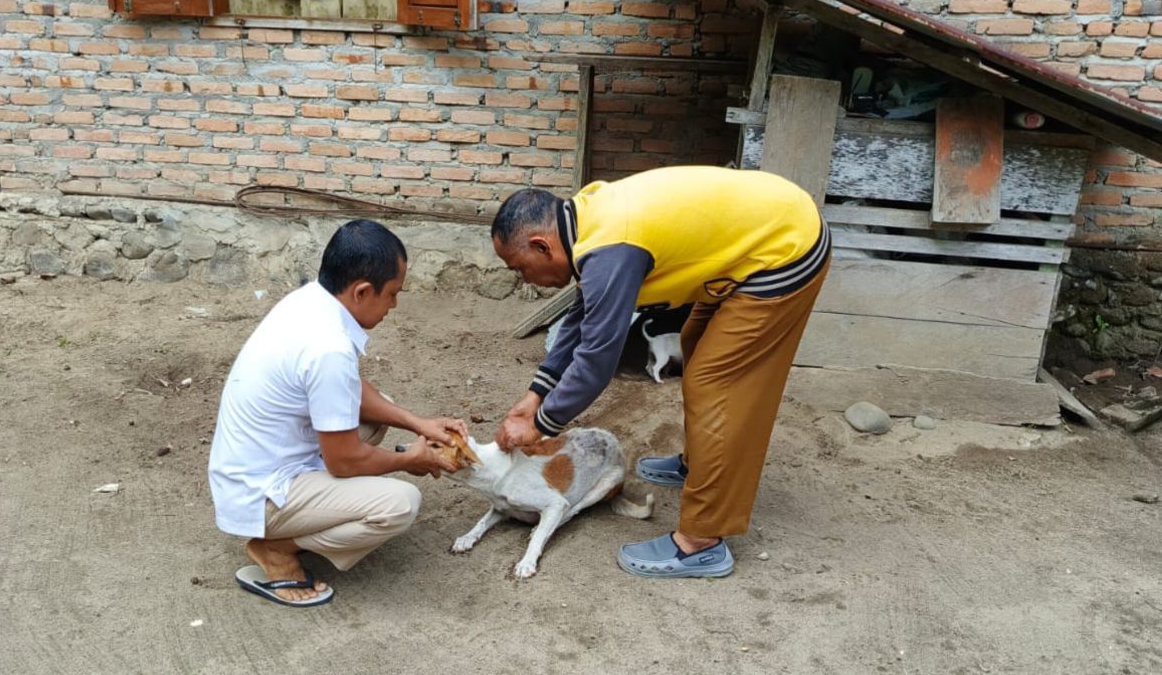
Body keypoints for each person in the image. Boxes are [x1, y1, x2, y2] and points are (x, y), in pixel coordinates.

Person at [490, 166, 830, 579]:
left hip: (784, 252)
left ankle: (701, 542)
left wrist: (540, 426)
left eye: (519, 268)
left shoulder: (611, 250)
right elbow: (582, 316)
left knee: (717, 384)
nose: (525, 279)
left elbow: (596, 360)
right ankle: (701, 463)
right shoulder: (586, 226)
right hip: (758, 238)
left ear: (542, 246)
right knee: (696, 344)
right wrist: (535, 394)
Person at [208, 219, 466, 607]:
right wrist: (408, 459)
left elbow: (346, 389)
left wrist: (416, 422)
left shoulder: (309, 301)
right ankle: (276, 547)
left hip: (257, 465)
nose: (394, 305)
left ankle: (303, 516)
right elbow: (344, 461)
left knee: (377, 414)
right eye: (392, 294)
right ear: (362, 291)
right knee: (399, 505)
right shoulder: (328, 347)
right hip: (261, 493)